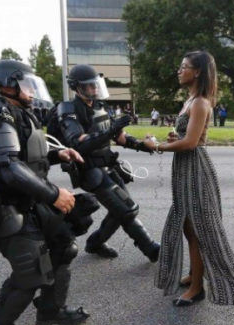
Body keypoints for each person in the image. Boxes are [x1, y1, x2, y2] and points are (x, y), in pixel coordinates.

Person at [0, 59, 89, 325]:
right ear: (8, 85)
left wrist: (59, 155)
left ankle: (50, 310)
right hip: (0, 204)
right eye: (26, 85)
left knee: (63, 247)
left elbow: (26, 155)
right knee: (31, 270)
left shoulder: (13, 110)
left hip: (24, 198)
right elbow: (7, 166)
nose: (31, 92)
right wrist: (54, 194)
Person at [153, 51, 234, 307]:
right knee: (188, 227)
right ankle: (194, 274)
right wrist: (174, 139)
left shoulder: (200, 103)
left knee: (197, 229)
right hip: (185, 169)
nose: (179, 71)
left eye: (184, 67)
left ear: (197, 72)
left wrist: (159, 146)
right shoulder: (190, 100)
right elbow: (185, 138)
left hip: (195, 169)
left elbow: (191, 143)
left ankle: (197, 288)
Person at [53, 64, 160, 261]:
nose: (94, 89)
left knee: (121, 210)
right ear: (77, 87)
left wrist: (143, 146)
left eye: (96, 85)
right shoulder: (68, 109)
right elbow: (78, 144)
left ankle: (95, 243)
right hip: (90, 171)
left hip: (108, 166)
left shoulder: (100, 107)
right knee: (127, 210)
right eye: (90, 86)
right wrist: (111, 131)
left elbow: (120, 137)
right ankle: (151, 249)